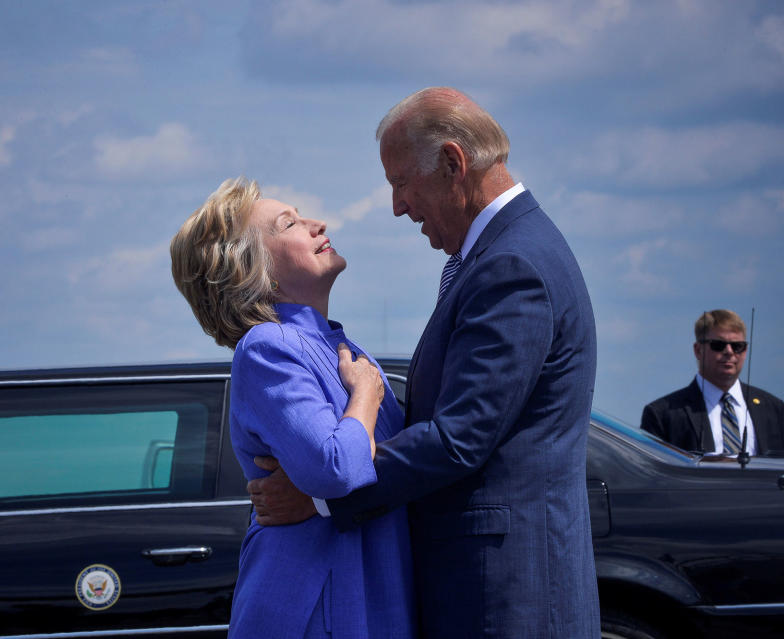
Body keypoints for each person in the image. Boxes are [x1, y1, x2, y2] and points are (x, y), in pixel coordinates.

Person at [249, 87, 600, 638]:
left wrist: (322, 495)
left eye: (400, 182)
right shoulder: (505, 253)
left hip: (504, 594)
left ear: (453, 164)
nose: (397, 206)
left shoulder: (511, 265)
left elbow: (461, 436)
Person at [170, 177, 415, 639]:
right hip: (317, 604)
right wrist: (365, 395)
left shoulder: (335, 342)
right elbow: (334, 469)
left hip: (366, 590)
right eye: (290, 223)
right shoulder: (268, 347)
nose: (316, 224)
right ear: (254, 272)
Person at [641, 309, 784, 455]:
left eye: (737, 346)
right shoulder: (663, 415)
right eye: (718, 345)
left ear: (746, 351)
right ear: (698, 350)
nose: (729, 352)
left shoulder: (775, 411)